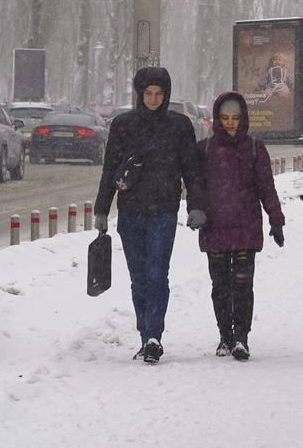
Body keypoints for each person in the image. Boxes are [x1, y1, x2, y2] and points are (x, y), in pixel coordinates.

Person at [94, 67, 208, 364]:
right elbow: (110, 168)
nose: (154, 99)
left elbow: (191, 169)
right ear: (140, 94)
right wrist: (101, 209)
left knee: (158, 274)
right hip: (130, 212)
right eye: (148, 94)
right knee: (139, 278)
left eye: (159, 94)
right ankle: (145, 334)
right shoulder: (123, 125)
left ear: (166, 95)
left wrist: (196, 204)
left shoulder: (179, 126)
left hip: (164, 212)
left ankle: (154, 335)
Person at [192, 91, 285, 362]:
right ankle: (225, 336)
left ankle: (242, 337)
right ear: (217, 119)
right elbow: (195, 186)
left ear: (243, 118)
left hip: (246, 226)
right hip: (215, 226)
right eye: (225, 118)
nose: (230, 123)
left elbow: (267, 187)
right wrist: (195, 210)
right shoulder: (205, 150)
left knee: (243, 285)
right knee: (220, 285)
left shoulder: (255, 148)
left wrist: (276, 220)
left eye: (235, 118)